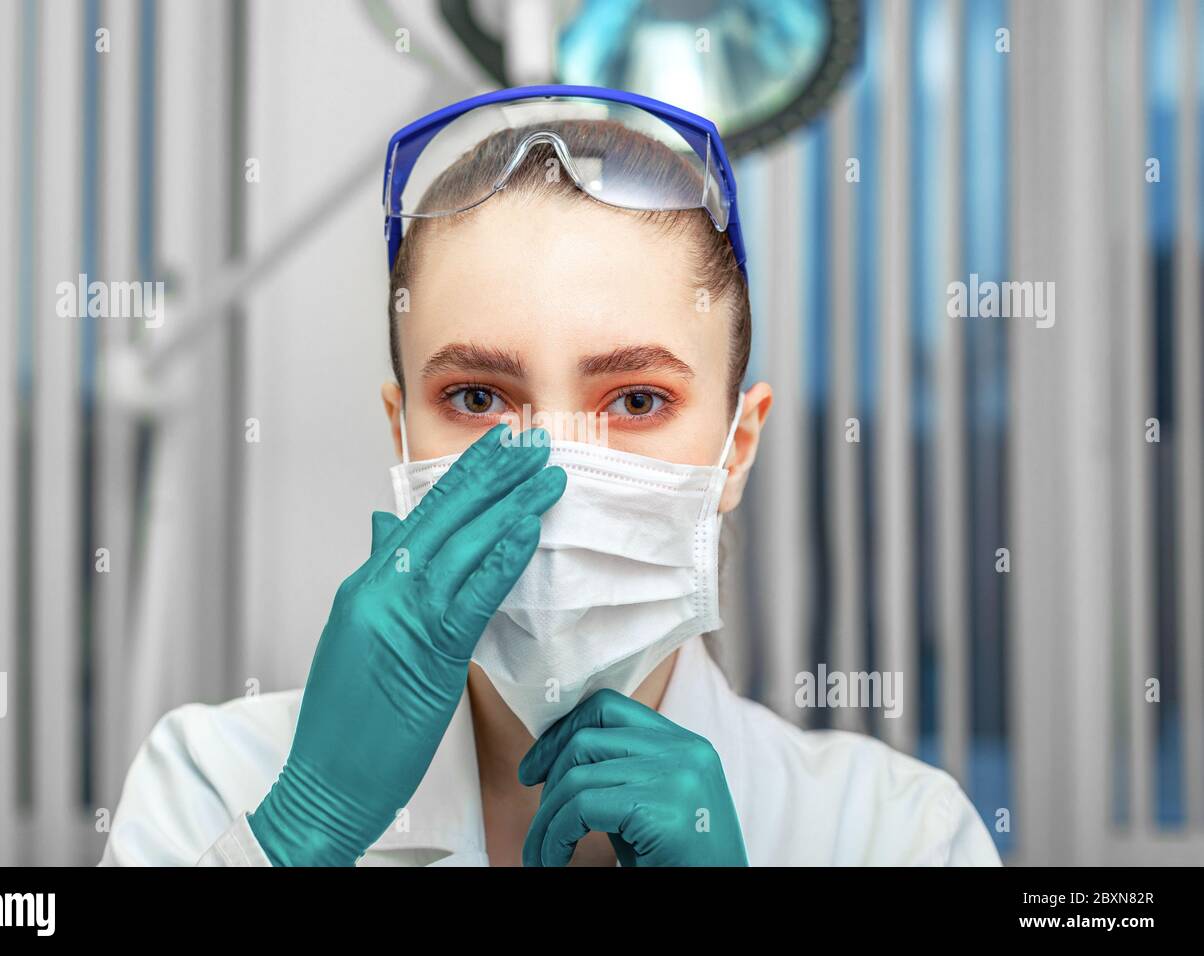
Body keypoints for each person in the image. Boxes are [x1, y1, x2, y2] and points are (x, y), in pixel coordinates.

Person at [100, 86, 1000, 867]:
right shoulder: (212, 782)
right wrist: (304, 832)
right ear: (402, 435)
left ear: (736, 448)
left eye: (638, 400)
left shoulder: (896, 832)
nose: (558, 473)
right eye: (480, 396)